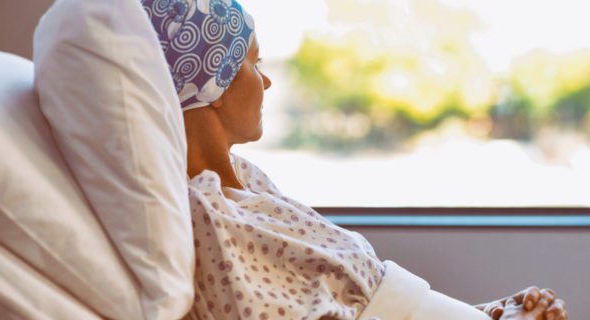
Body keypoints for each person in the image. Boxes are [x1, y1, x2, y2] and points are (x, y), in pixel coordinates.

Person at [141, 0, 568, 319]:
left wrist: (488, 312)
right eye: (255, 62)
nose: (267, 81)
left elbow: (355, 298)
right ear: (215, 78)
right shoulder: (206, 215)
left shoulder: (248, 182)